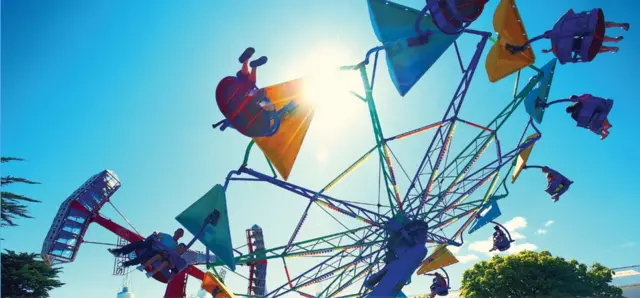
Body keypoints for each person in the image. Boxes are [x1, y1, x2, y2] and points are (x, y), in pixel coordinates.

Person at [108, 228, 184, 267]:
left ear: (181, 236)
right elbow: (157, 235)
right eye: (177, 232)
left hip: (157, 251)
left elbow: (171, 254)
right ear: (175, 232)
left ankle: (127, 264)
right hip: (152, 244)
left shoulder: (176, 246)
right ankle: (118, 252)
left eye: (180, 233)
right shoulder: (167, 236)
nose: (178, 234)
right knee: (137, 244)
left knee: (143, 257)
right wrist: (155, 234)